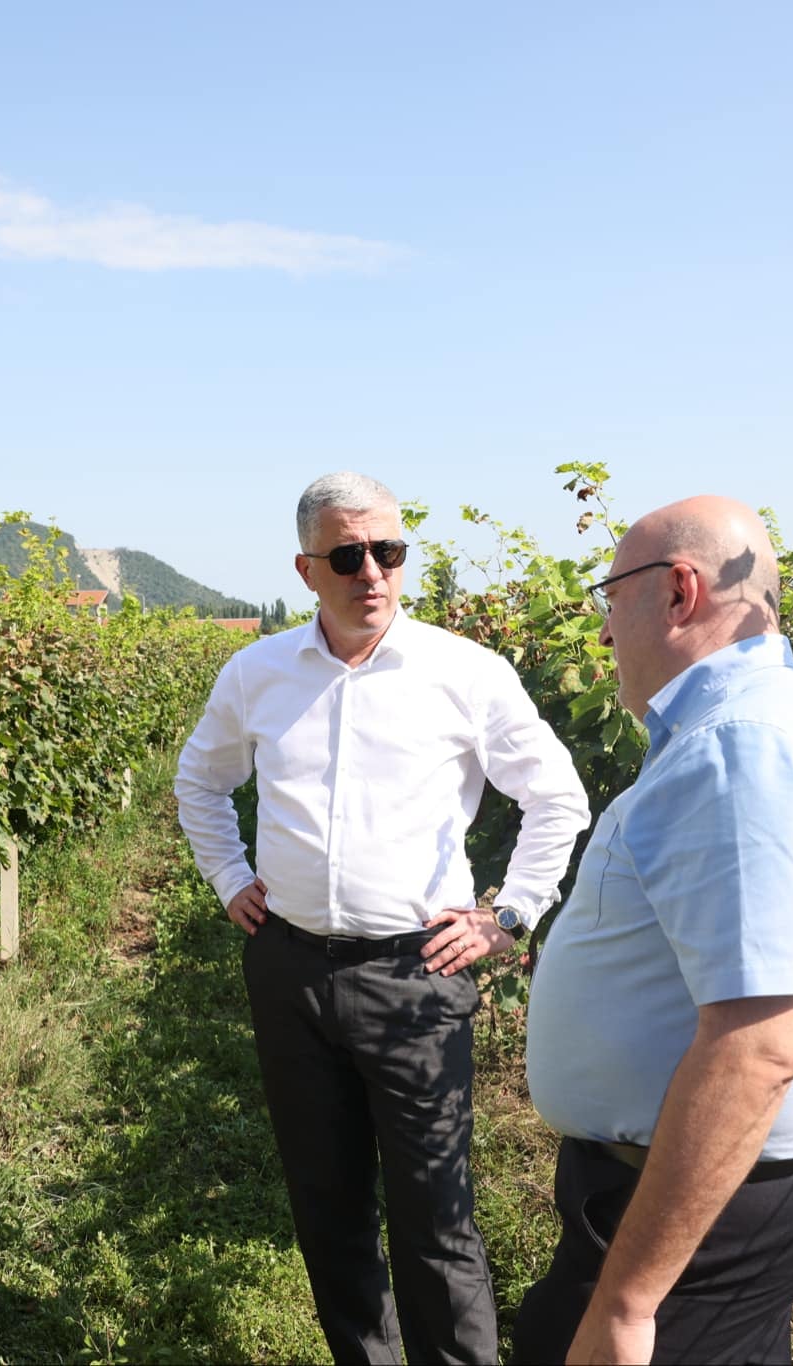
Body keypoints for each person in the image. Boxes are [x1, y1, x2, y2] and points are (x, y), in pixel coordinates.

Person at [175, 471, 591, 1364]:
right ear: (306, 569)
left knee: (435, 1217)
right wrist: (227, 875)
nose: (372, 572)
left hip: (417, 976)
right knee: (327, 1210)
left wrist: (509, 915)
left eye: (388, 551)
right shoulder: (257, 673)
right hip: (289, 970)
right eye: (348, 556)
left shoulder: (463, 672)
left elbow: (557, 797)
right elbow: (200, 782)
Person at [516, 495, 793, 1366]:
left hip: (697, 1211)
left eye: (611, 598)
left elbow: (756, 1049)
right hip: (716, 1194)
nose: (603, 631)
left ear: (678, 591)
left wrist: (628, 1304)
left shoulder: (742, 747)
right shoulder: (780, 719)